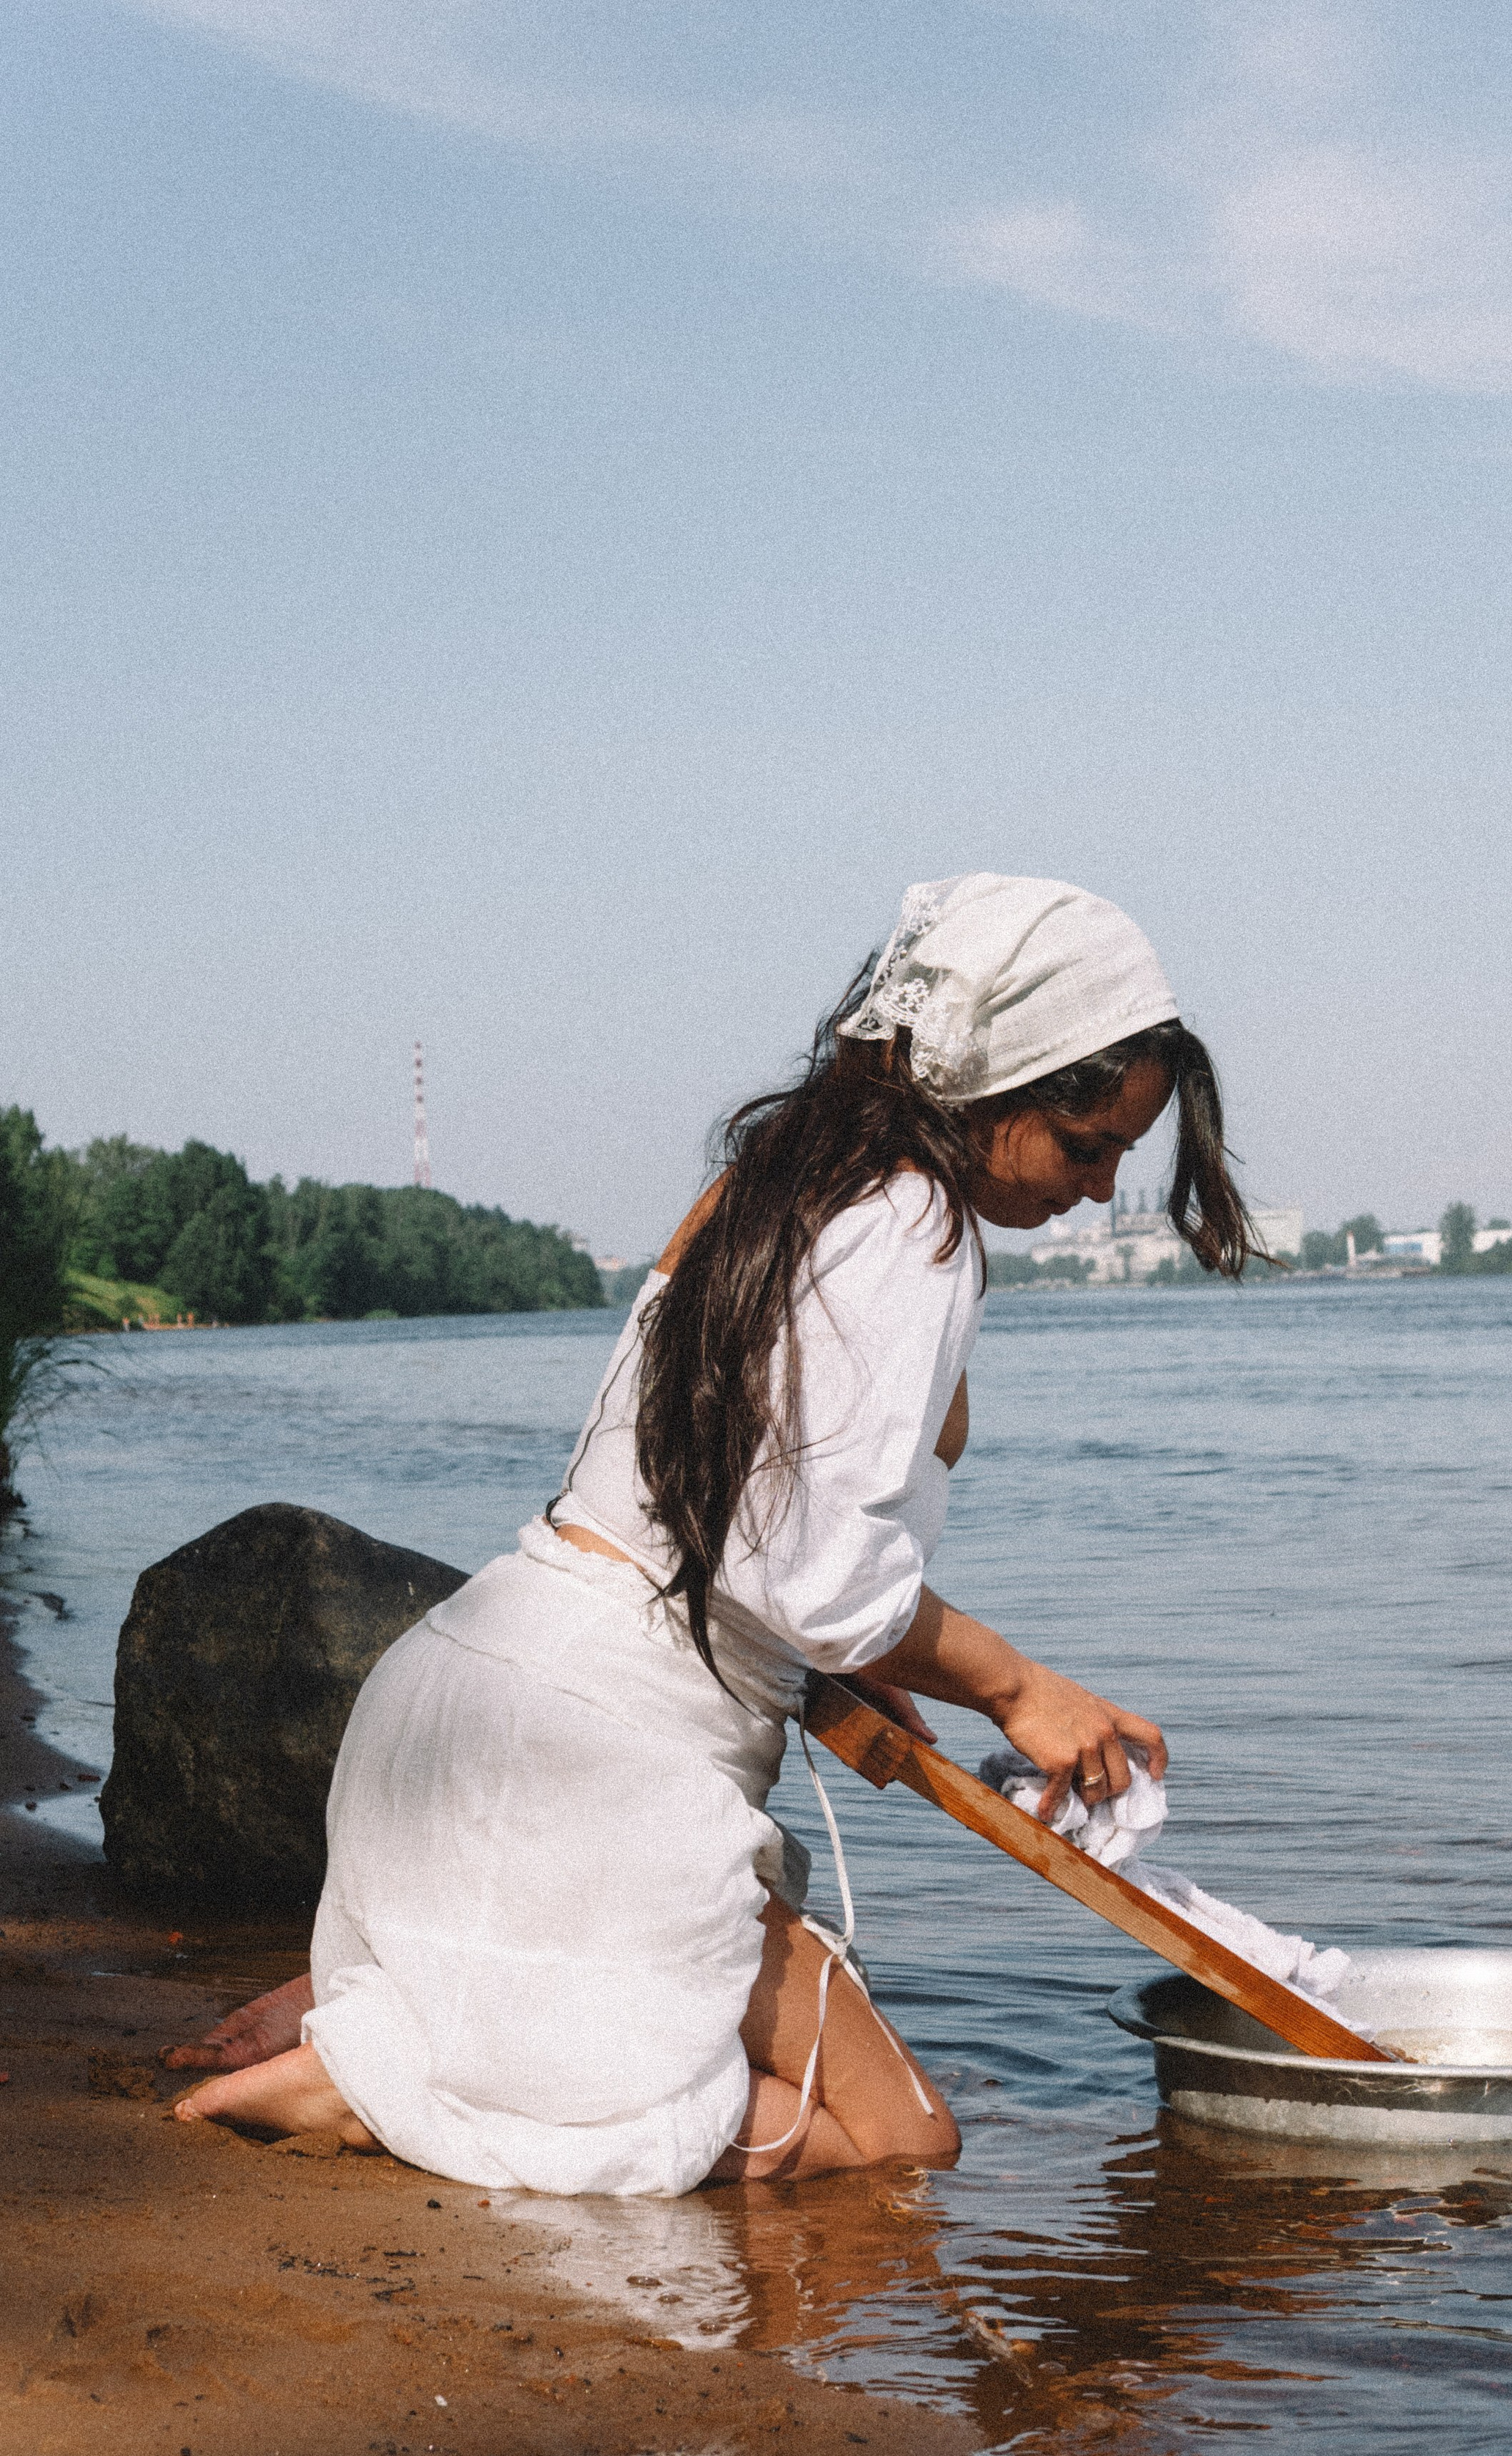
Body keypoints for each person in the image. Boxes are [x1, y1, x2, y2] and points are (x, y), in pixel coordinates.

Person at [171, 875, 1258, 2190]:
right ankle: (385, 2087)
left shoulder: (777, 1186)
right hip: (593, 1779)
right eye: (1087, 1146)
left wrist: (840, 1666)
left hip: (460, 1709)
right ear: (994, 1081)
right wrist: (1018, 1689)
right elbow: (820, 1574)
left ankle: (441, 2020)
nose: (1099, 1190)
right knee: (899, 2141)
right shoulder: (917, 1224)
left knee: (773, 2078)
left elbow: (715, 1516)